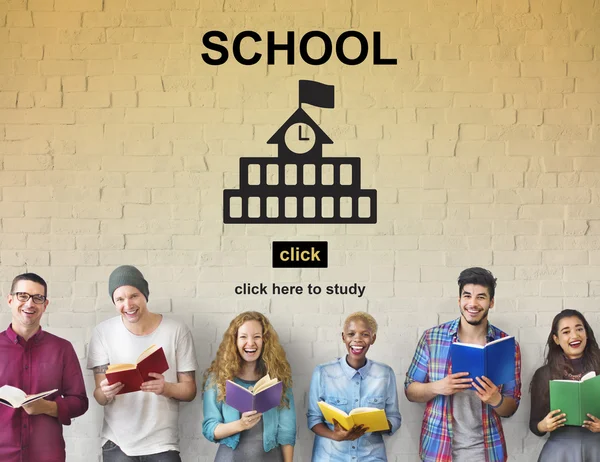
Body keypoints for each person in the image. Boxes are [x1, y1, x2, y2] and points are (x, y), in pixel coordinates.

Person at [405, 267, 521, 462]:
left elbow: (511, 407)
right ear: (459, 300)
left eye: (481, 297)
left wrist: (496, 399)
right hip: (438, 450)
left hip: (486, 452)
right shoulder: (432, 338)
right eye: (467, 296)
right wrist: (438, 387)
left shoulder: (506, 346)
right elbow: (410, 390)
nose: (473, 303)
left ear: (491, 302)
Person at [87, 265, 198, 461]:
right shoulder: (102, 333)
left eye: (134, 296)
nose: (128, 304)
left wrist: (167, 388)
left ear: (145, 294)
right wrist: (105, 392)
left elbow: (190, 391)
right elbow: (99, 395)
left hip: (162, 443)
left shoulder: (176, 330)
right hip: (117, 443)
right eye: (120, 299)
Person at [0, 272, 88, 462]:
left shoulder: (62, 349)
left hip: (47, 455)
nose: (29, 303)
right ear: (10, 300)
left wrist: (48, 407)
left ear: (45, 305)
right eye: (22, 296)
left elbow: (80, 402)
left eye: (37, 298)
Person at [307, 311, 402, 461]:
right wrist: (335, 435)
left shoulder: (385, 374)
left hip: (371, 457)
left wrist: (378, 424)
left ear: (373, 338)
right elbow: (313, 419)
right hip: (330, 456)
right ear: (343, 337)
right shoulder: (323, 372)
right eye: (351, 334)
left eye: (364, 334)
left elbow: (394, 417)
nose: (357, 339)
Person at [202, 311, 296, 461]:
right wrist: (241, 424)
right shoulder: (217, 379)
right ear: (234, 341)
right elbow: (209, 428)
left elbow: (287, 431)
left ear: (265, 341)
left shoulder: (279, 379)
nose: (250, 343)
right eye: (243, 337)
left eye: (257, 337)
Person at [529, 309, 600, 461]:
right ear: (556, 339)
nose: (574, 336)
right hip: (560, 451)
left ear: (586, 333)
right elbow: (534, 425)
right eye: (566, 332)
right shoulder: (544, 374)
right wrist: (544, 425)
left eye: (579, 329)